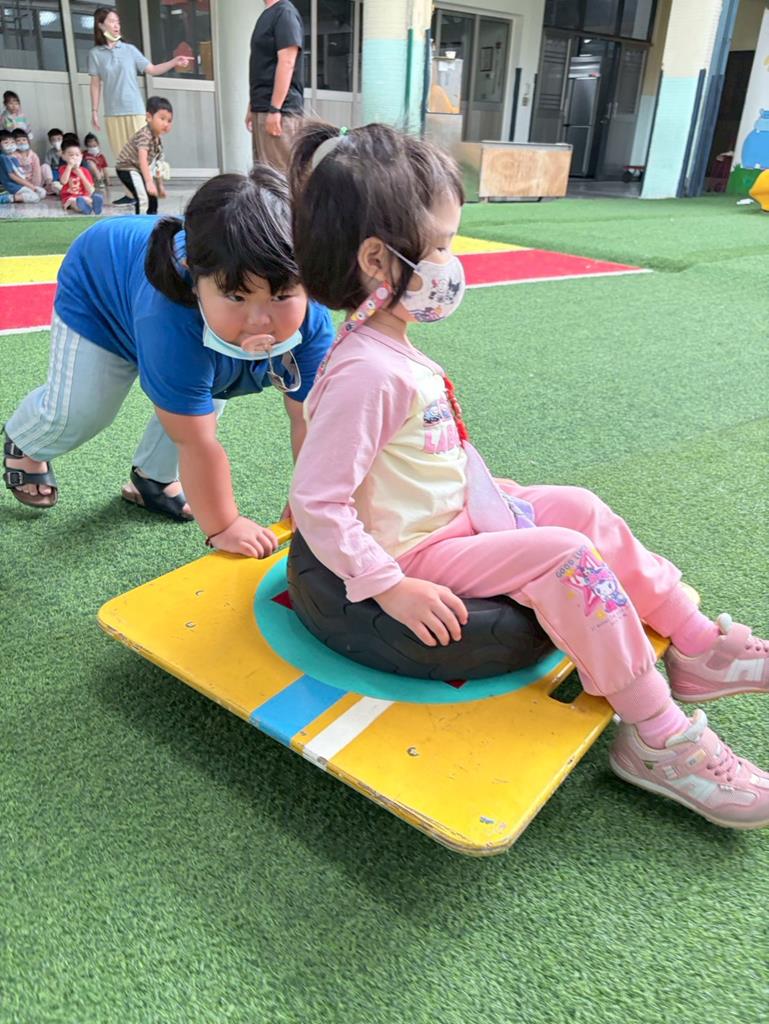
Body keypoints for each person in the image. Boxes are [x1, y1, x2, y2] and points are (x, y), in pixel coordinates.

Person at [287, 122, 769, 831]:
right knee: (566, 557)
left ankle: (696, 644)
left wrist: (487, 493)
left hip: (451, 516)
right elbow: (318, 501)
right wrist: (389, 587)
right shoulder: (365, 374)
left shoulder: (388, 350)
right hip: (416, 551)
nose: (451, 263)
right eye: (441, 246)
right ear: (378, 261)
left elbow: (417, 456)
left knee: (580, 508)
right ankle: (655, 736)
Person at [3, 169, 334, 559]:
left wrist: (311, 500)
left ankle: (151, 480)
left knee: (204, 394)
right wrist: (224, 525)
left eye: (281, 296)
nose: (259, 321)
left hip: (184, 321)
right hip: (101, 294)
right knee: (84, 410)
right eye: (237, 296)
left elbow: (310, 421)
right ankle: (26, 440)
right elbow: (196, 440)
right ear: (194, 276)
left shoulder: (312, 321)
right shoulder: (169, 319)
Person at [88, 6, 190, 205]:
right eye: (112, 21)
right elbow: (95, 84)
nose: (117, 25)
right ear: (101, 25)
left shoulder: (129, 50)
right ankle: (131, 194)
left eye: (118, 22)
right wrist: (94, 110)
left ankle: (149, 192)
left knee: (143, 153)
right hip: (112, 113)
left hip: (135, 110)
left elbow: (152, 69)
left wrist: (174, 62)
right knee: (122, 156)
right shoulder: (95, 54)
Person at [246, 0, 305, 173]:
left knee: (280, 176)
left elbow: (287, 62)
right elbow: (261, 66)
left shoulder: (285, 13)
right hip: (263, 107)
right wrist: (252, 105)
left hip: (281, 112)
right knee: (263, 175)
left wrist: (275, 109)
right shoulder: (267, 14)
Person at [115, 97, 172, 215]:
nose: (166, 124)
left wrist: (159, 186)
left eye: (169, 120)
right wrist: (149, 182)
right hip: (127, 168)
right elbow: (143, 160)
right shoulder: (145, 135)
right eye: (162, 118)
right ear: (149, 117)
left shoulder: (157, 139)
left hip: (139, 169)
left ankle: (152, 221)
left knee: (152, 197)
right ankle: (140, 223)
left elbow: (158, 165)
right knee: (143, 198)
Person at [58, 138, 104, 215]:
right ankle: (84, 209)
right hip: (69, 197)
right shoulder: (64, 169)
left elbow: (91, 190)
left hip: (83, 196)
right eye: (71, 155)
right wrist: (69, 167)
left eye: (77, 155)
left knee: (89, 200)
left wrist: (80, 174)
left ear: (81, 157)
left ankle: (95, 207)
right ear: (63, 156)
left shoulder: (85, 171)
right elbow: (63, 182)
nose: (74, 157)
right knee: (74, 203)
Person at [0, 129, 44, 203]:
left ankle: (18, 196)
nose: (10, 145)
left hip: (19, 185)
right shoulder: (3, 157)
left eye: (12, 142)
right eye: (6, 143)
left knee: (42, 193)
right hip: (11, 186)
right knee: (35, 197)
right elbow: (12, 176)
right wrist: (30, 186)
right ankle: (9, 198)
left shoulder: (13, 158)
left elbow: (20, 174)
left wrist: (31, 186)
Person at [12, 129, 59, 195]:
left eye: (24, 140)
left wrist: (35, 186)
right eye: (18, 140)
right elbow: (15, 174)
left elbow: (36, 171)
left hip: (35, 182)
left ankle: (49, 185)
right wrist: (29, 186)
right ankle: (40, 190)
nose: (22, 142)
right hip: (22, 183)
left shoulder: (33, 155)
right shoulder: (13, 156)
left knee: (45, 166)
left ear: (28, 141)